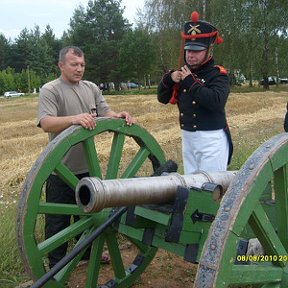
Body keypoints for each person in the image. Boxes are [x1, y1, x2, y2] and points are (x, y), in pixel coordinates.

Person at [37, 45, 135, 268]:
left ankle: (86, 255)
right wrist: (74, 119)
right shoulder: (50, 90)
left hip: (87, 168)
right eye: (74, 64)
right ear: (61, 65)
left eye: (82, 64)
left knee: (89, 216)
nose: (79, 69)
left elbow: (104, 112)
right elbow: (46, 123)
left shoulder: (91, 88)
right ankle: (56, 267)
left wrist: (117, 115)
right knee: (57, 223)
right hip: (61, 170)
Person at [157, 11, 233, 174]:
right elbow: (162, 98)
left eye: (197, 50)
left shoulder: (218, 74)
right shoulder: (182, 73)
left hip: (211, 139)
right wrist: (170, 79)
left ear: (208, 50)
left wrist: (190, 82)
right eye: (189, 50)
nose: (191, 55)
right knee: (192, 187)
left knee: (211, 187)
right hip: (188, 138)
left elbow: (216, 101)